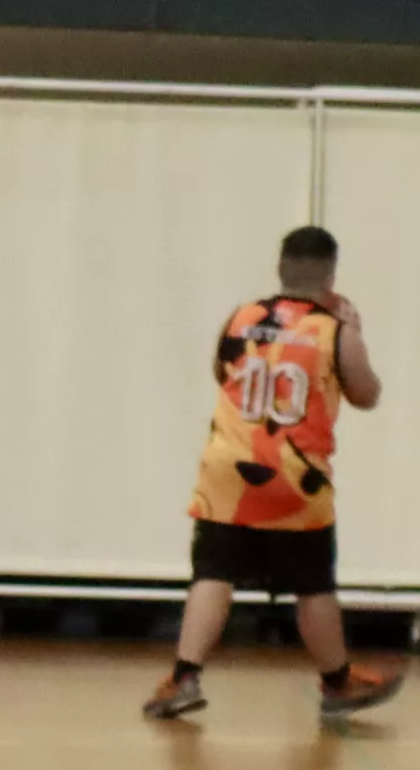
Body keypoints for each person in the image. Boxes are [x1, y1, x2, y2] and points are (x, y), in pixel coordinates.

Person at [143, 227, 401, 726]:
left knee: (213, 573)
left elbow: (223, 373)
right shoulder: (333, 328)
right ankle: (337, 682)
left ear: (281, 267)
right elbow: (367, 395)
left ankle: (183, 676)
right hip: (295, 475)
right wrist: (356, 334)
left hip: (230, 468)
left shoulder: (241, 318)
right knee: (313, 584)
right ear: (330, 275)